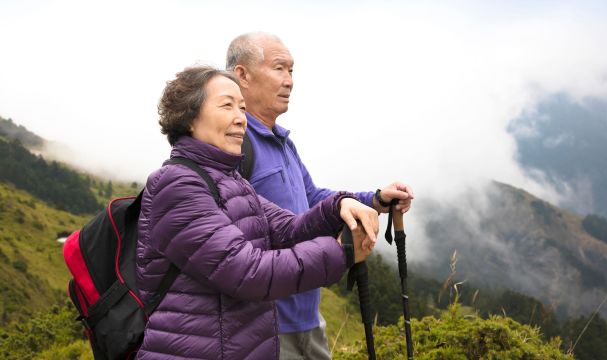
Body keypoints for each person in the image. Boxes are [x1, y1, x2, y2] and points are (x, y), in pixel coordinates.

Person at [135, 65, 378, 360]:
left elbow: (289, 230)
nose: (241, 119)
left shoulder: (230, 180)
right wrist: (341, 254)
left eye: (242, 107)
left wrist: (338, 206)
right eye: (227, 106)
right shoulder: (176, 185)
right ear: (189, 117)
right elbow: (248, 273)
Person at [226, 32, 414, 359]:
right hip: (265, 327)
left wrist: (376, 200)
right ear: (242, 75)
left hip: (308, 319)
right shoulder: (235, 146)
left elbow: (312, 197)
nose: (289, 81)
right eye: (279, 68)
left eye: (292, 71)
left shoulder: (281, 141)